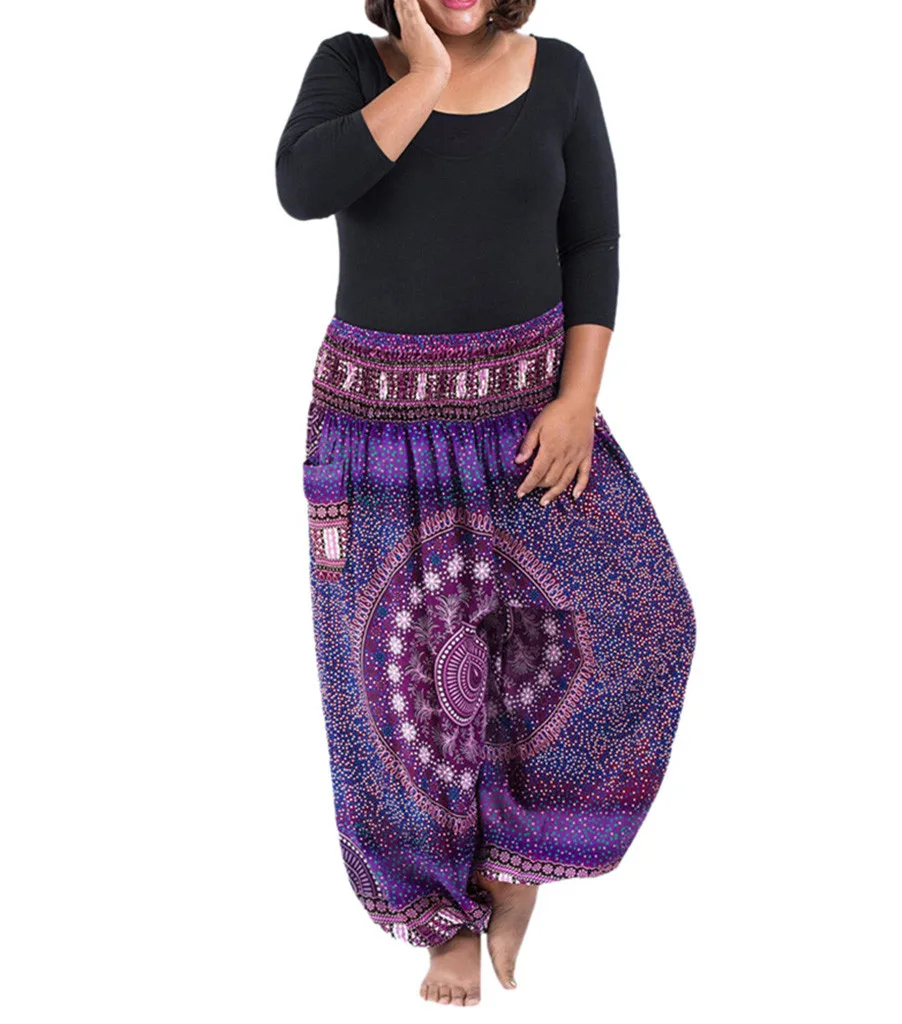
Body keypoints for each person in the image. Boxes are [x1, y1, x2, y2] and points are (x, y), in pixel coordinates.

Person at [275, 0, 696, 1007]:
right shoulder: (352, 67)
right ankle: (439, 919)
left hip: (528, 417)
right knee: (404, 687)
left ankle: (515, 862)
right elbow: (303, 189)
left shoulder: (561, 75)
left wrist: (578, 400)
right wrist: (424, 74)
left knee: (642, 619)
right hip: (377, 429)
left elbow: (591, 243)